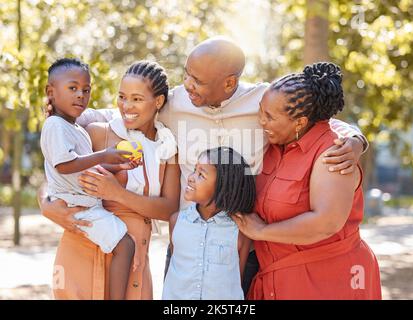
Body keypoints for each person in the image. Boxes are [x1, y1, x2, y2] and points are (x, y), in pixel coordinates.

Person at [40, 37, 368, 296]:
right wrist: (48, 186)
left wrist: (355, 139)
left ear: (229, 83)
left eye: (196, 80)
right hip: (185, 238)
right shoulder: (173, 103)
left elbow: (315, 121)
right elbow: (109, 117)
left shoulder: (262, 101)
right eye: (186, 74)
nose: (187, 85)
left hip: (242, 240)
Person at [232, 62, 382, 300]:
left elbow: (326, 223)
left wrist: (262, 231)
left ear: (300, 122)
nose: (260, 121)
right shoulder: (272, 143)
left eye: (269, 116)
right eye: (260, 111)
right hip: (275, 280)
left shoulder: (333, 152)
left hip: (328, 281)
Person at [38, 60, 180, 299]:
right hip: (82, 243)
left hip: (131, 256)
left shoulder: (167, 147)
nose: (126, 106)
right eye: (122, 96)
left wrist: (117, 193)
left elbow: (170, 208)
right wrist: (46, 203)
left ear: (158, 102)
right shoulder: (96, 130)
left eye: (137, 99)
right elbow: (57, 167)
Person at [41, 58, 137, 300]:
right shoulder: (54, 125)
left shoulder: (76, 129)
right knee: (125, 246)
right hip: (78, 207)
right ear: (50, 92)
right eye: (72, 88)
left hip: (86, 204)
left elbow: (83, 167)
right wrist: (104, 154)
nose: (81, 95)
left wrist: (116, 164)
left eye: (86, 89)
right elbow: (65, 166)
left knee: (121, 246)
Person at [162, 147, 255, 300]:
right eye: (194, 170)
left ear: (223, 188)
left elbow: (237, 279)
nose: (190, 177)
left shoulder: (240, 230)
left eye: (201, 175)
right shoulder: (176, 221)